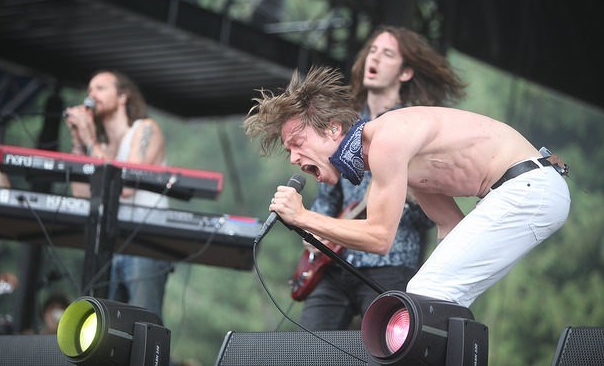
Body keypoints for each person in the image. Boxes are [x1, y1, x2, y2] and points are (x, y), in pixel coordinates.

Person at [244, 66, 570, 308]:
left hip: (529, 186)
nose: (293, 158)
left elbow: (380, 238)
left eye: (297, 143)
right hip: (529, 188)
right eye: (289, 150)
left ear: (332, 129)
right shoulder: (399, 161)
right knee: (435, 298)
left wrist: (303, 217)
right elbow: (449, 226)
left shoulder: (387, 140)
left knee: (425, 294)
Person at [297, 26, 466, 330]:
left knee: (387, 350)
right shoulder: (345, 125)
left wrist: (405, 202)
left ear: (405, 72)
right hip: (335, 264)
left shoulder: (416, 124)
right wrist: (318, 234)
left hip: (391, 264)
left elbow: (432, 213)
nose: (375, 58)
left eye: (387, 54)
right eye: (372, 51)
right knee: (306, 349)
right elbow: (328, 195)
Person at [63, 70, 171, 318]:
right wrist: (79, 142)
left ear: (123, 96)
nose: (92, 95)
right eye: (89, 90)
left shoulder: (145, 130)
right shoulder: (99, 147)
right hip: (109, 243)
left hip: (145, 243)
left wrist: (91, 141)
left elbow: (126, 185)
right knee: (104, 329)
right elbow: (81, 194)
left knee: (144, 325)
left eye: (100, 88)